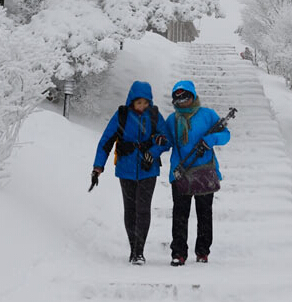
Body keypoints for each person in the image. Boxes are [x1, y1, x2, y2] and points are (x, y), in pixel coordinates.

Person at [92, 81, 168, 265]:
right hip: (125, 170)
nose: (142, 106)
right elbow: (106, 141)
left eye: (145, 103)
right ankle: (133, 248)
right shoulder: (122, 115)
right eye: (139, 103)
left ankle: (139, 252)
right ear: (131, 101)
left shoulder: (155, 115)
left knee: (143, 209)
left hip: (148, 170)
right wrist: (98, 167)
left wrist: (152, 153)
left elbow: (166, 140)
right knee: (130, 209)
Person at [164, 80, 231, 266]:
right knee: (180, 214)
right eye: (178, 99)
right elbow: (164, 141)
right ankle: (178, 252)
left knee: (204, 214)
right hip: (180, 173)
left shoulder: (208, 115)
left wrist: (210, 140)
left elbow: (226, 135)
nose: (182, 102)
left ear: (192, 96)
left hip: (204, 171)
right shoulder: (172, 120)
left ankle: (203, 251)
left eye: (185, 97)